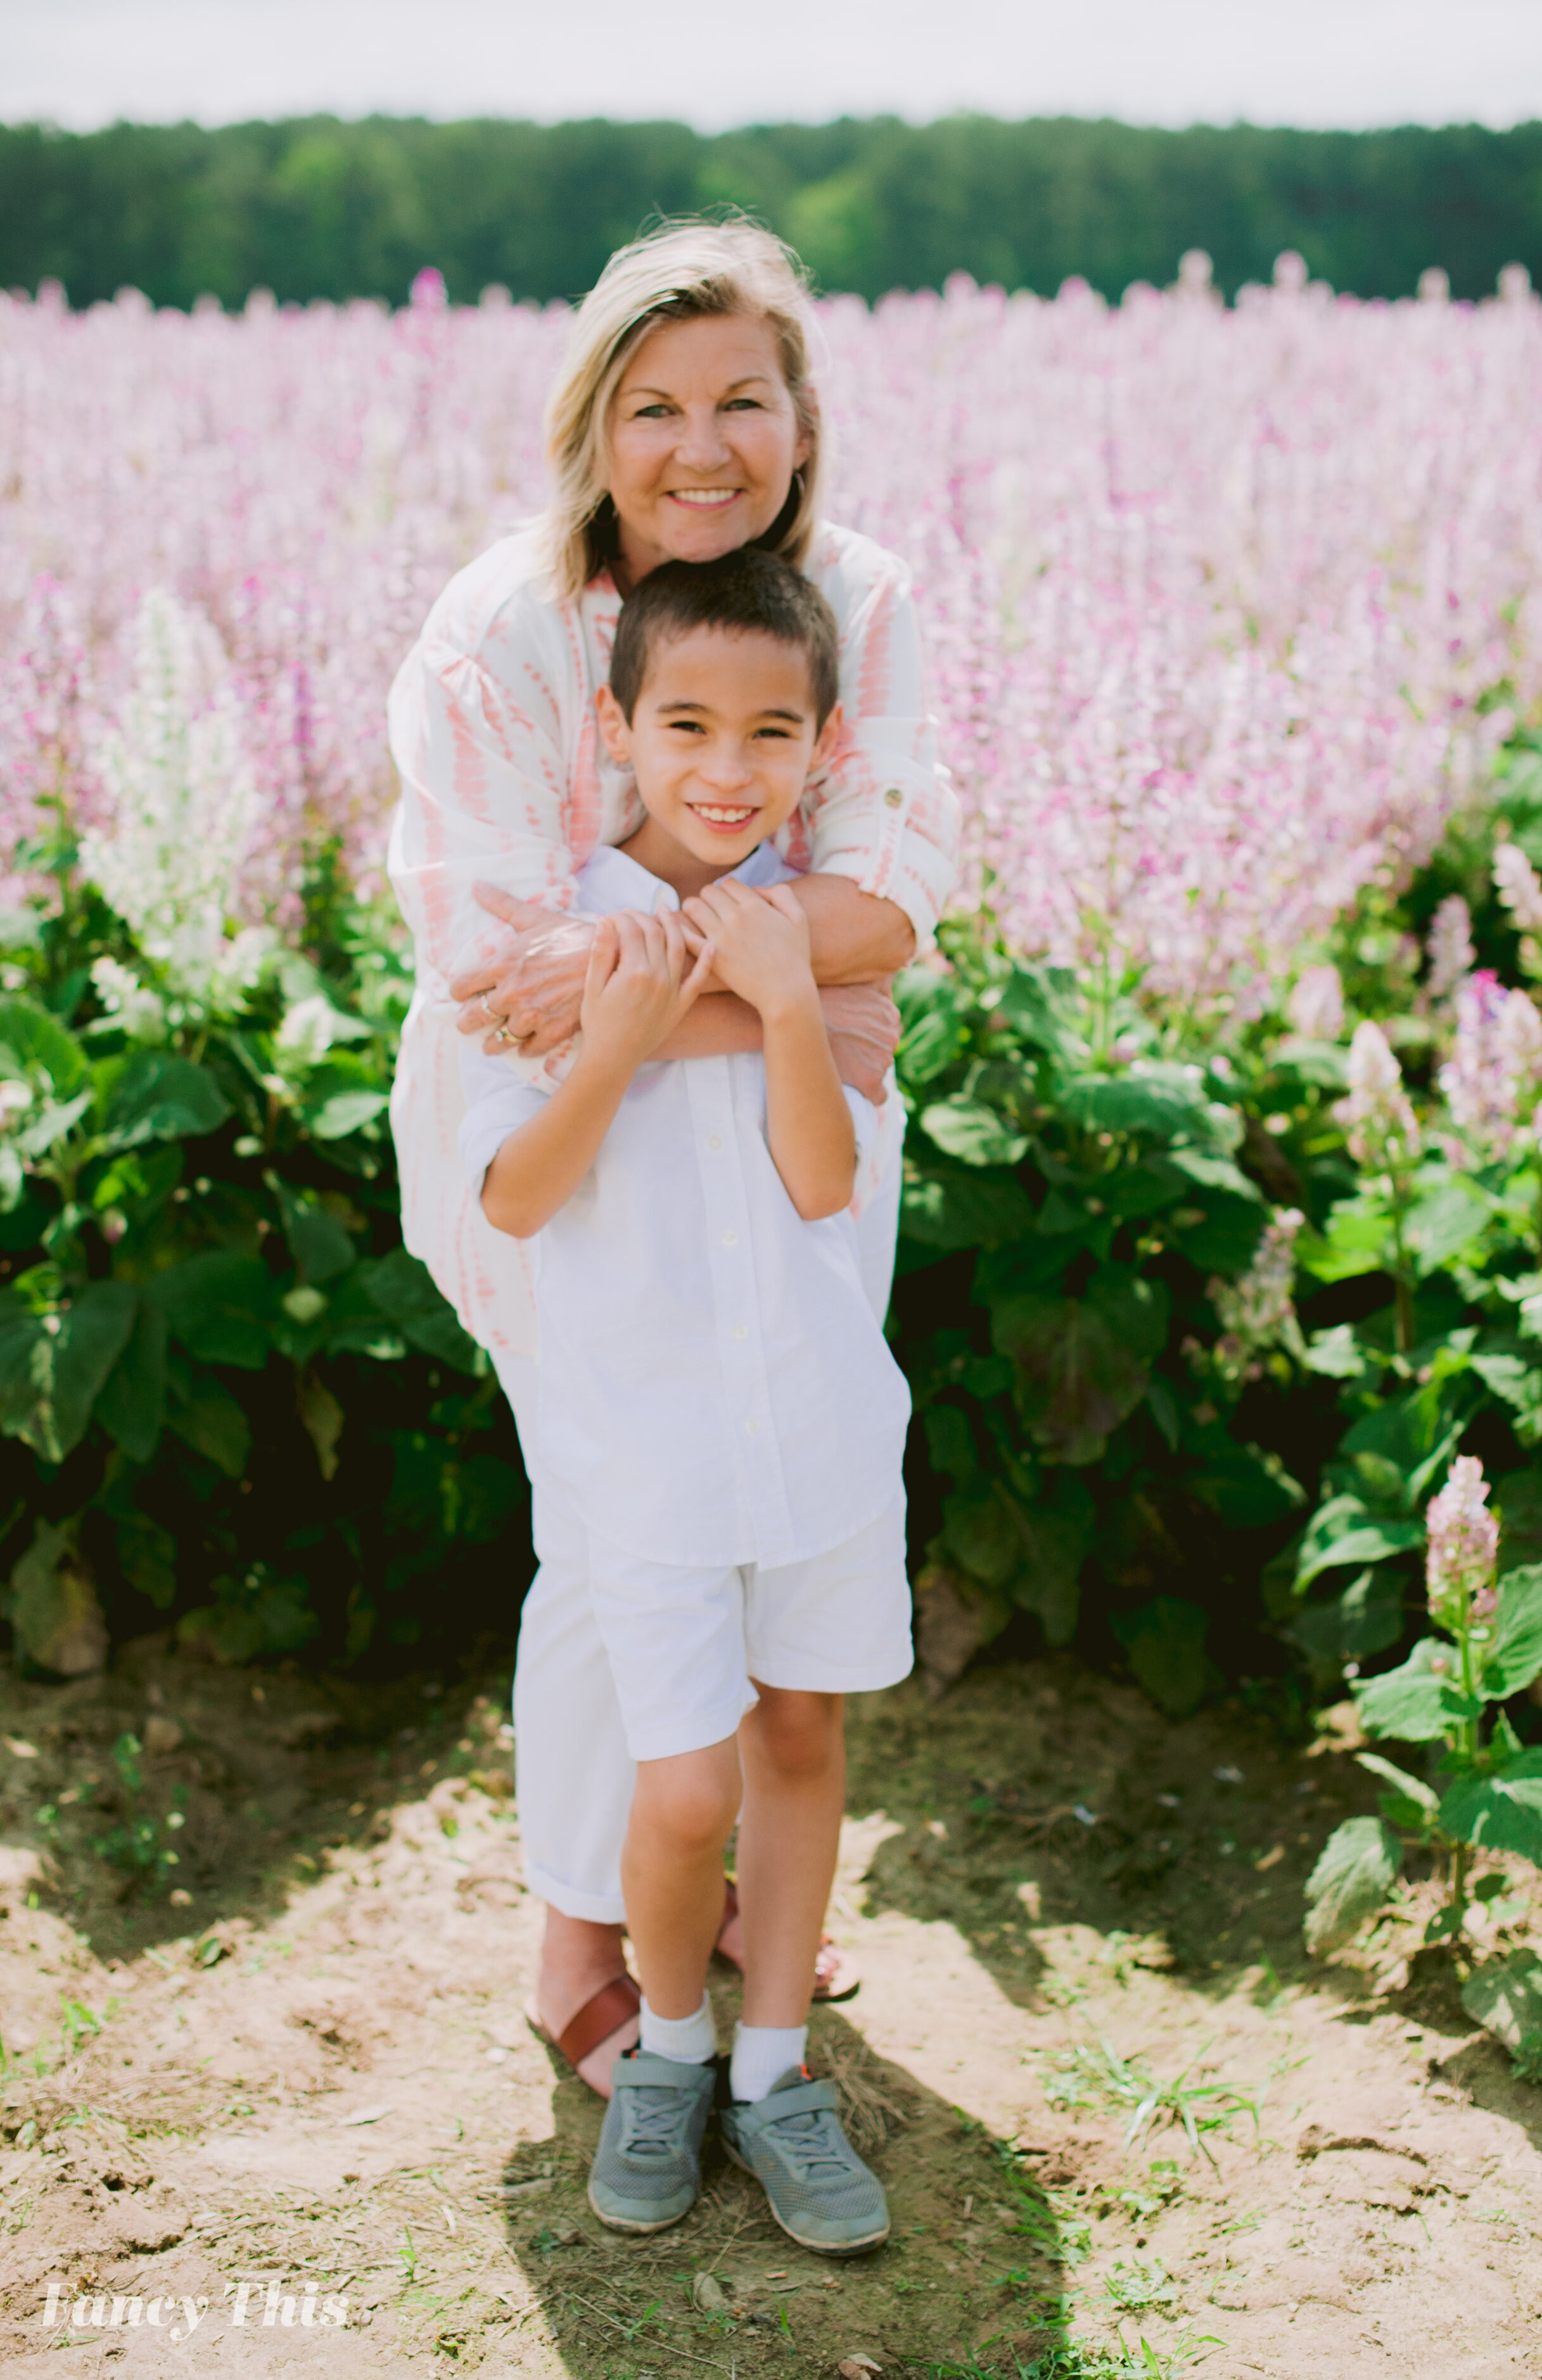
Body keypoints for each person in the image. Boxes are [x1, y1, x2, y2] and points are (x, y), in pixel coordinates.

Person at [386, 217, 959, 2098]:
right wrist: (796, 980)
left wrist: (682, 989)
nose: (700, 445)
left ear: (802, 419)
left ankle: (693, 1887)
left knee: (760, 1478)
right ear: (593, 423)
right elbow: (499, 983)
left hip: (790, 1127)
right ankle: (582, 1915)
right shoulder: (501, 628)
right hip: (545, 1138)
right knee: (609, 1513)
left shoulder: (860, 599)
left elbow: (903, 897)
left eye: (743, 399)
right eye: (654, 405)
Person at [459, 549, 912, 2252]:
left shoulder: (807, 930)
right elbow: (512, 1195)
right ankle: (666, 2046)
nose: (728, 769)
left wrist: (781, 994)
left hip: (811, 1425)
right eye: (690, 725)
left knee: (797, 1732)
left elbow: (817, 1178)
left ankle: (776, 2069)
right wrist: (619, 1038)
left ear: (819, 744)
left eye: (771, 733)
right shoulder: (556, 946)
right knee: (677, 1789)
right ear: (618, 728)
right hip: (642, 1448)